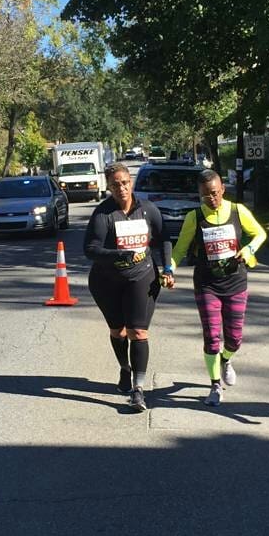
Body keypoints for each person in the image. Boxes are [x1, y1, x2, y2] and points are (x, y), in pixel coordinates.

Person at [170, 168, 267, 406]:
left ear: (223, 189)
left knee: (234, 338)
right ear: (199, 195)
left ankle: (226, 358)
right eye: (205, 196)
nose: (211, 199)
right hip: (207, 284)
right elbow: (180, 249)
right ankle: (214, 385)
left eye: (214, 193)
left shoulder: (237, 211)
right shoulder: (194, 217)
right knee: (212, 336)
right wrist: (169, 269)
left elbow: (260, 234)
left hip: (235, 282)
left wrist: (249, 250)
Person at [84, 163, 174, 412]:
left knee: (138, 332)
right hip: (106, 281)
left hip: (141, 278)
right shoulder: (103, 214)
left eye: (124, 182)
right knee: (118, 331)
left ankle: (138, 389)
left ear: (131, 182)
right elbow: (90, 250)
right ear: (109, 187)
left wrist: (168, 268)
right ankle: (125, 367)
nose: (121, 188)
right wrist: (120, 254)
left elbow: (163, 239)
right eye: (115, 184)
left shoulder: (147, 210)